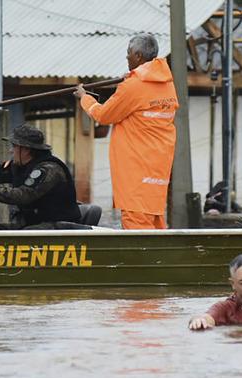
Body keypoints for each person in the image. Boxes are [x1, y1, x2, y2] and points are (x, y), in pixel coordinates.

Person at [74, 33, 178, 230]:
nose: (127, 58)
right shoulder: (166, 84)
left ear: (138, 56)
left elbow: (104, 115)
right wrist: (129, 80)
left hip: (136, 171)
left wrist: (84, 98)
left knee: (137, 229)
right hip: (157, 170)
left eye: (129, 54)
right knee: (155, 222)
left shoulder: (134, 86)